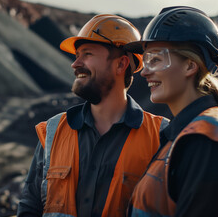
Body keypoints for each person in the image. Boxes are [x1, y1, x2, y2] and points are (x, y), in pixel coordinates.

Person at [17, 14, 169, 217]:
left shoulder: (161, 137)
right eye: (76, 55)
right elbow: (29, 208)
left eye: (87, 54)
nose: (75, 63)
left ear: (121, 64)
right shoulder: (53, 131)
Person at [124, 6, 218, 217]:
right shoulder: (186, 133)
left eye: (155, 59)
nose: (145, 72)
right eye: (145, 60)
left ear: (190, 66)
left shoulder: (204, 138)